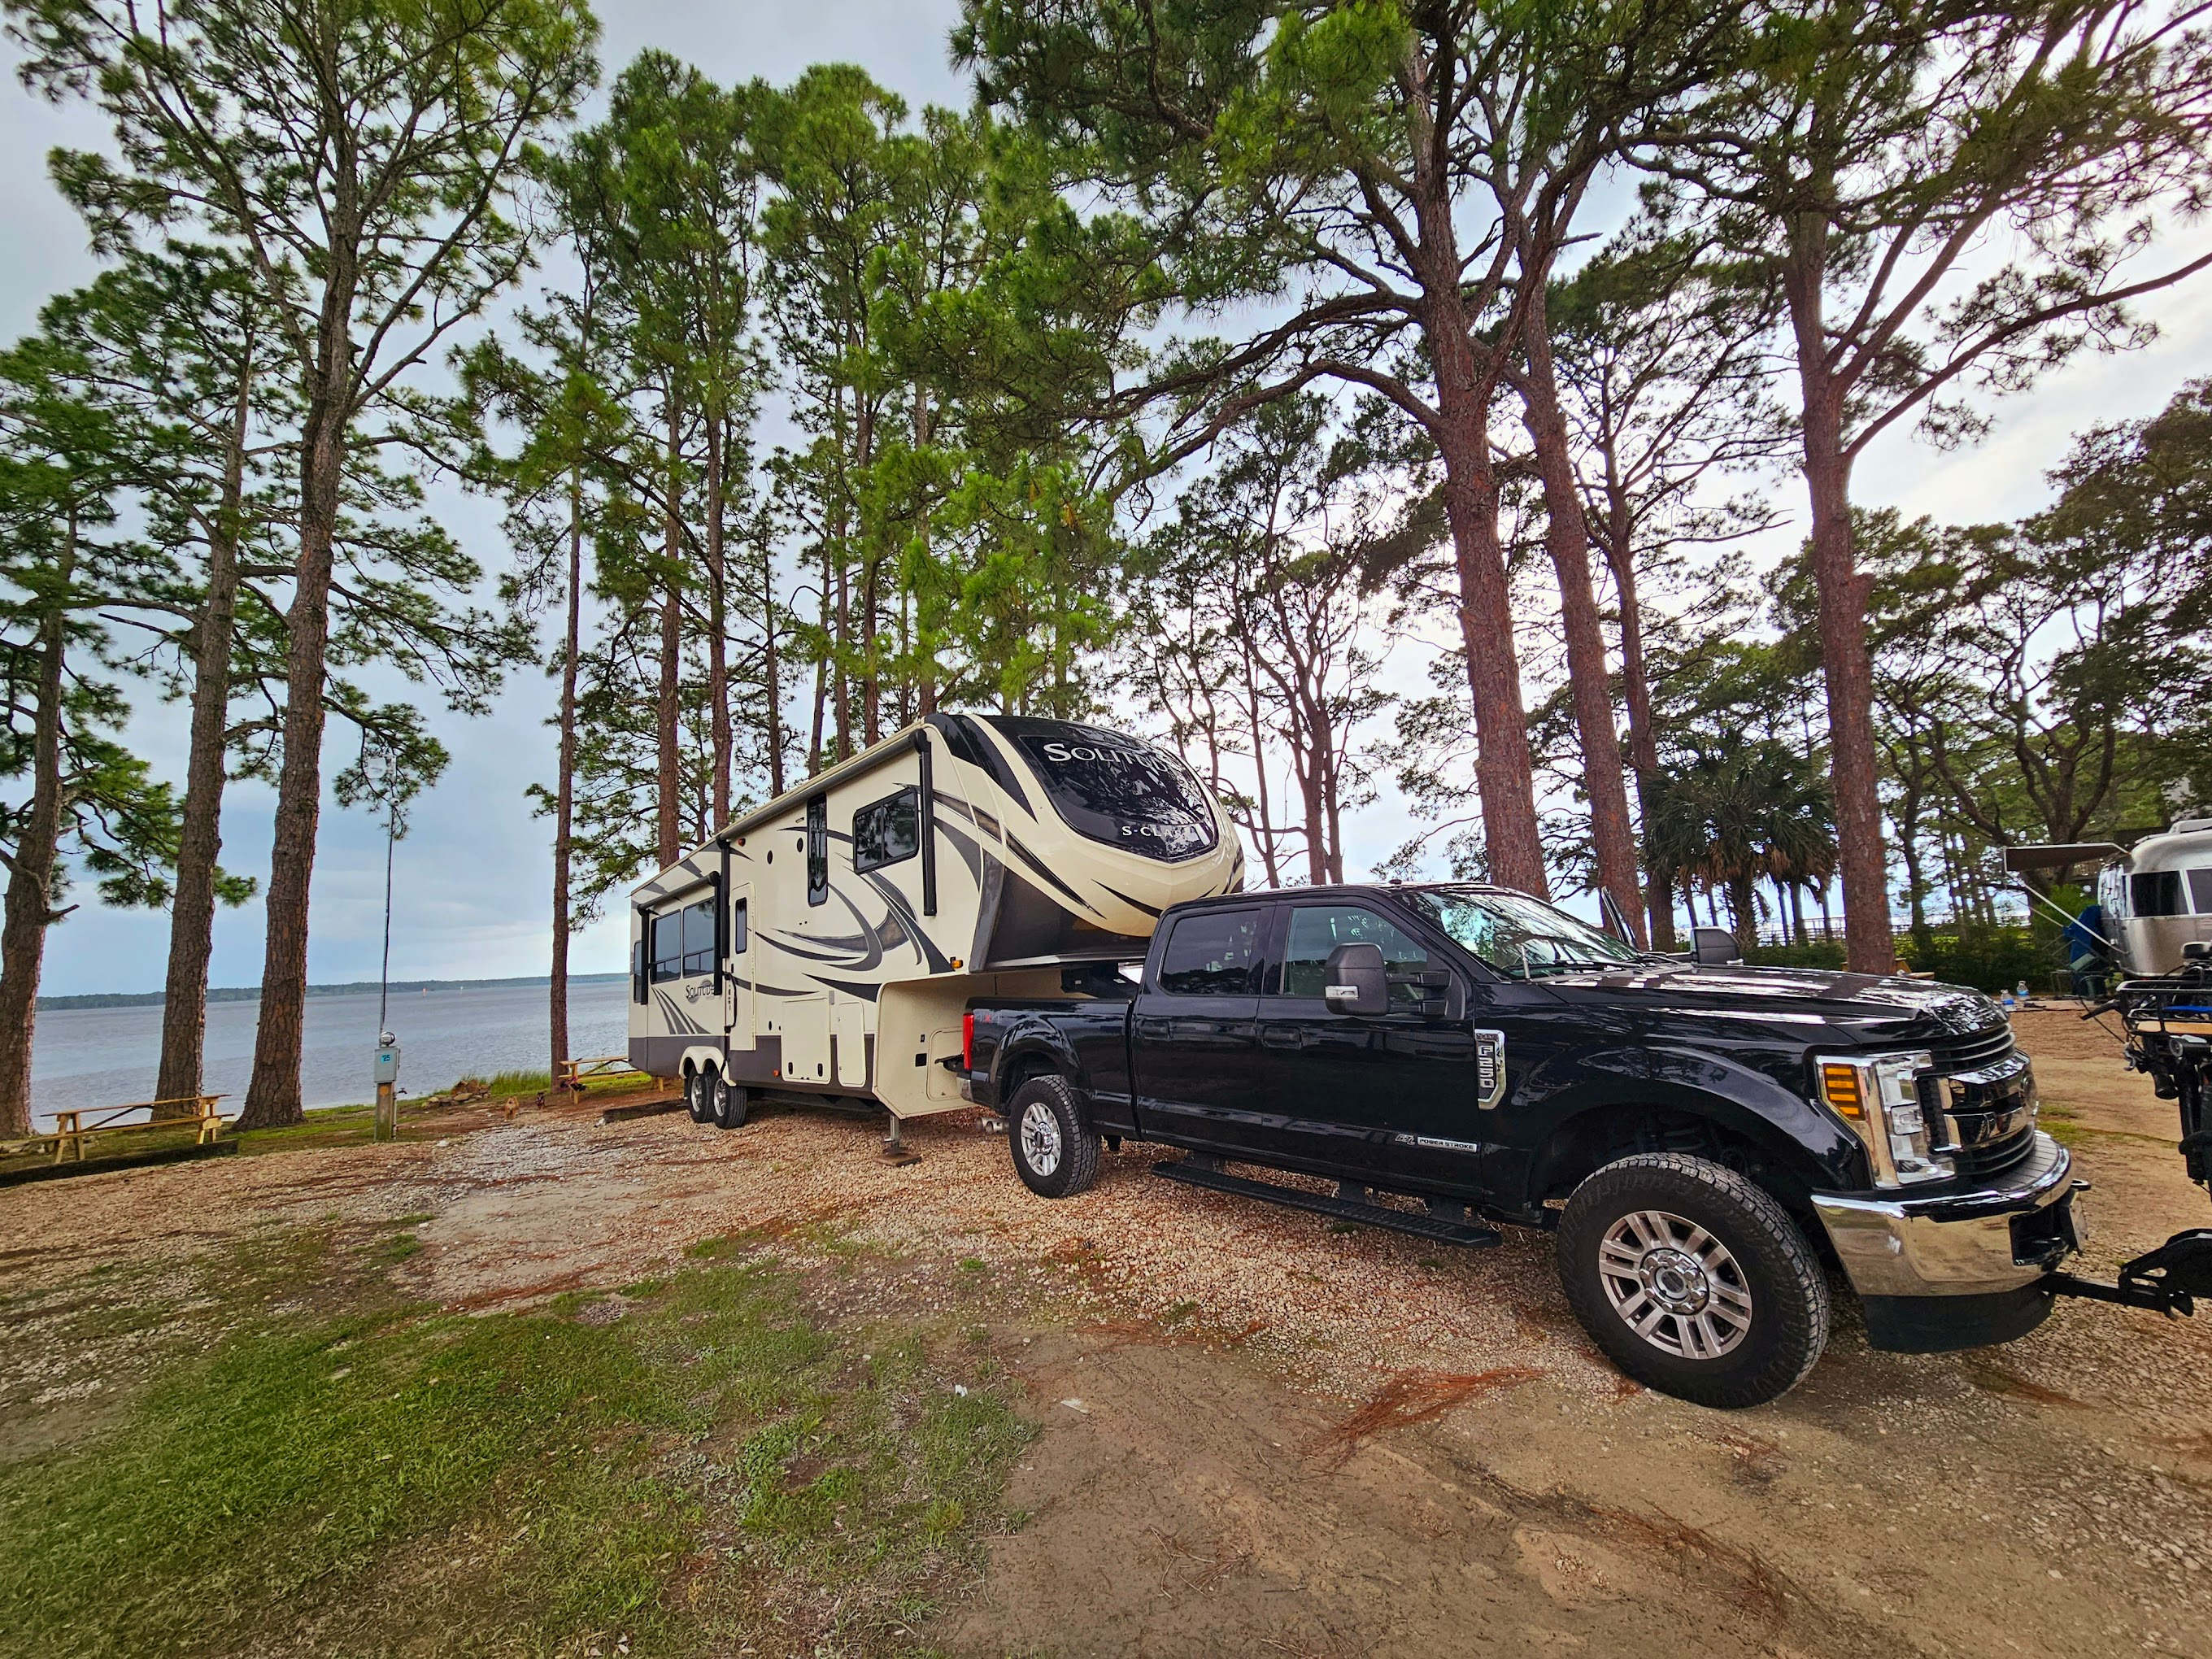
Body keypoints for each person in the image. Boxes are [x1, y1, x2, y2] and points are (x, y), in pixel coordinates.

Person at [2062, 901, 2114, 995]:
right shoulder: (2092, 920)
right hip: (2088, 951)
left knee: (2085, 970)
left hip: (2085, 951)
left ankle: (2089, 992)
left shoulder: (2087, 919)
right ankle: (2091, 992)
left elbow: (2068, 934)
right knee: (2089, 971)